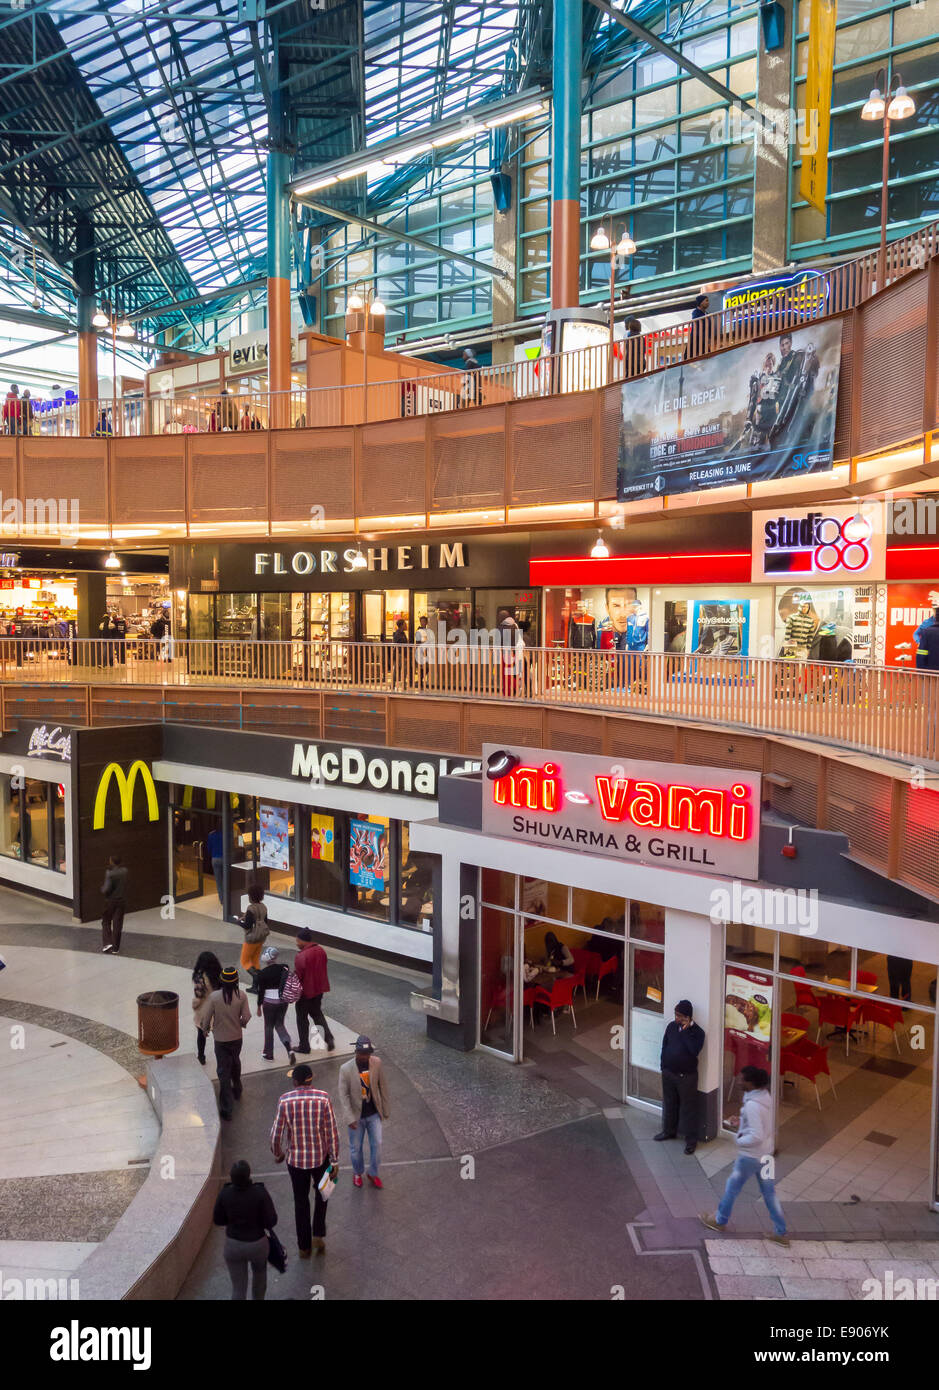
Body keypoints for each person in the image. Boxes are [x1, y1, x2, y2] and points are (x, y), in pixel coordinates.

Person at [700, 1066, 789, 1246]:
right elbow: (762, 1125)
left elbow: (755, 1135)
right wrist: (742, 1122)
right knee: (769, 1193)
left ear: (750, 1083)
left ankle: (720, 1220)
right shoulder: (765, 1098)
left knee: (732, 1187)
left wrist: (740, 1139)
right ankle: (781, 1232)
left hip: (750, 1157)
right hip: (766, 1155)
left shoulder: (752, 1106)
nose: (739, 1081)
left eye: (742, 1079)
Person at [270, 1062, 340, 1257]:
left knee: (300, 1202)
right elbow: (332, 1132)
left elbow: (276, 1134)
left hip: (296, 1162)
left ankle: (303, 1247)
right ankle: (318, 1233)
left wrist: (279, 1153)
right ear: (311, 1079)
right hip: (321, 1159)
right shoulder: (323, 1098)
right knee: (323, 1194)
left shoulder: (285, 1100)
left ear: (295, 1081)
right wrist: (334, 1160)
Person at [213, 1158, 278, 1300]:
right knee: (260, 1275)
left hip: (233, 1245)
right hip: (258, 1244)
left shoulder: (225, 1194)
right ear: (249, 1175)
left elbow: (218, 1219)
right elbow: (271, 1220)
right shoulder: (260, 1192)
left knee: (238, 1288)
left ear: (232, 1177)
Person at [338, 1035, 389, 1190]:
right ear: (356, 1052)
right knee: (355, 1149)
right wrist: (349, 1118)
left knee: (378, 1145)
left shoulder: (377, 1063)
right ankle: (357, 1172)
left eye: (367, 1054)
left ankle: (373, 1173)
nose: (365, 1057)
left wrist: (385, 1110)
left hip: (373, 1113)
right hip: (356, 1117)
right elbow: (343, 1095)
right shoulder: (345, 1069)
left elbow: (383, 1086)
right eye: (362, 1054)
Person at [655, 999, 705, 1154]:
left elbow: (693, 1050)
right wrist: (663, 1066)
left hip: (686, 1077)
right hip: (669, 1073)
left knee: (688, 1109)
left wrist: (685, 1032)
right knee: (670, 1104)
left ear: (688, 1017)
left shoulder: (698, 1033)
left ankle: (691, 1141)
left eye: (679, 1016)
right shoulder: (671, 1027)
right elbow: (665, 1045)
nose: (676, 1018)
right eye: (675, 1014)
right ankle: (669, 1131)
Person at [202, 965, 251, 1121]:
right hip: (237, 1037)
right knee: (236, 1061)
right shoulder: (241, 996)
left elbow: (206, 1017)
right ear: (236, 981)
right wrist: (241, 1024)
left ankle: (226, 1108)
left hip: (221, 1039)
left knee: (223, 1071)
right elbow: (247, 1016)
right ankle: (237, 1088)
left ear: (222, 981)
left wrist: (205, 1029)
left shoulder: (215, 997)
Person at [294, 928, 335, 1053]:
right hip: (319, 989)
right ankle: (329, 1038)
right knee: (317, 1013)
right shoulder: (321, 950)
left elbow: (298, 976)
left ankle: (304, 1046)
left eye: (297, 940)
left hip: (306, 992)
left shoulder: (301, 956)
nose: (296, 943)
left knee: (302, 1018)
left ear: (302, 941)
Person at [255, 945, 296, 1065]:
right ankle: (289, 1050)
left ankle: (269, 1054)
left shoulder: (262, 974)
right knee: (280, 1025)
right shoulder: (284, 968)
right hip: (283, 1001)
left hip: (269, 1002)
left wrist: (258, 1006)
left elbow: (261, 992)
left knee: (268, 1027)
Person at [191, 950, 223, 1065]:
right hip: (217, 1009)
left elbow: (198, 996)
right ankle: (221, 1057)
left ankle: (201, 1056)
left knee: (201, 1034)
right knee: (218, 1035)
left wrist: (194, 1005)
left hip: (203, 1011)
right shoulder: (220, 975)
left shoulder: (200, 978)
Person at [240, 884, 270, 992]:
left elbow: (247, 926)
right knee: (255, 960)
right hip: (261, 938)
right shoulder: (264, 907)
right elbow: (265, 922)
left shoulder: (251, 909)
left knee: (244, 961)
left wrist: (239, 922)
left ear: (251, 896)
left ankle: (257, 977)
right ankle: (256, 987)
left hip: (251, 939)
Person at [101, 854, 128, 954]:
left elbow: (106, 888)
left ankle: (107, 942)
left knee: (106, 921)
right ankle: (116, 948)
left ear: (111, 861)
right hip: (121, 901)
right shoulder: (125, 871)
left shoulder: (110, 873)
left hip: (110, 901)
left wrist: (102, 890)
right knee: (118, 923)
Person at [207, 823, 224, 909]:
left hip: (215, 859)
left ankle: (221, 900)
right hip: (224, 858)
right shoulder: (226, 834)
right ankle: (227, 898)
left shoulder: (211, 835)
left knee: (218, 881)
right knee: (225, 879)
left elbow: (209, 848)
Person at [391, 617, 409, 688]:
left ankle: (402, 684)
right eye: (405, 624)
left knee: (402, 669)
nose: (406, 625)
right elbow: (395, 645)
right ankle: (395, 684)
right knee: (398, 669)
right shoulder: (397, 634)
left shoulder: (403, 633)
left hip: (403, 654)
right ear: (401, 625)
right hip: (400, 654)